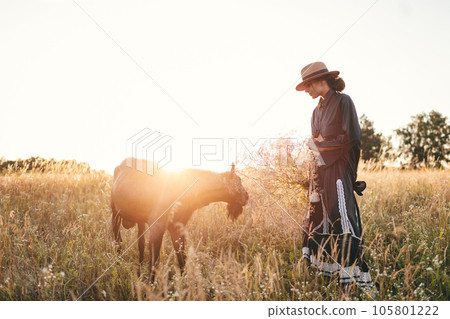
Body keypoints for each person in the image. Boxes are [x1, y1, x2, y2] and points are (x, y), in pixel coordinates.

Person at [296, 61, 372, 286]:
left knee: (343, 219)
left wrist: (350, 174)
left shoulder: (343, 101)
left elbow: (353, 139)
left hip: (340, 169)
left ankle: (351, 281)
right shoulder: (315, 111)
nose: (306, 91)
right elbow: (315, 145)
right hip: (321, 173)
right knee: (322, 219)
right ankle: (330, 274)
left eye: (308, 86)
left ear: (321, 81)